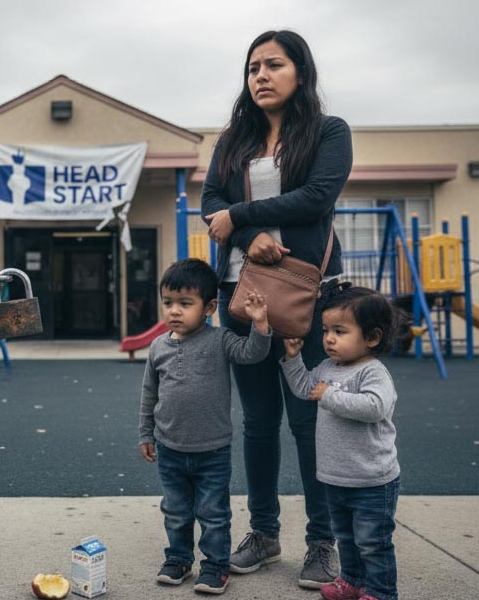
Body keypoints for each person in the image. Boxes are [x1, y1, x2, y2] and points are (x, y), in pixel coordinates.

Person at [200, 29, 353, 588]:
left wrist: (244, 219)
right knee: (260, 424)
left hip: (305, 301)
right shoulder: (235, 139)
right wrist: (250, 232)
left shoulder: (329, 132)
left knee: (310, 422)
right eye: (252, 68)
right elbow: (209, 203)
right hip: (241, 300)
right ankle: (263, 533)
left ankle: (322, 542)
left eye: (273, 65)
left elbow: (318, 197)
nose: (260, 76)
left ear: (300, 72)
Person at [139, 258, 272, 595]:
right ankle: (179, 559)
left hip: (212, 450)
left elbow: (251, 354)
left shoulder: (221, 340)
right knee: (175, 511)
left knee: (213, 514)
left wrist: (260, 326)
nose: (174, 311)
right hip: (170, 449)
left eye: (185, 304)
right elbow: (149, 394)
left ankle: (214, 566)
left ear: (210, 306)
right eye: (168, 303)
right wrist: (145, 433)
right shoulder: (158, 347)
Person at [280, 286, 401, 600]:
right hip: (337, 477)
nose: (329, 338)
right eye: (326, 330)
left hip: (372, 480)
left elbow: (375, 407)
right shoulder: (327, 368)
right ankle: (352, 581)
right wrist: (292, 360)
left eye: (340, 331)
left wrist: (330, 396)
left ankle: (381, 591)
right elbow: (306, 388)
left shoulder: (373, 372)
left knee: (373, 543)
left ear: (371, 337)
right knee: (346, 538)